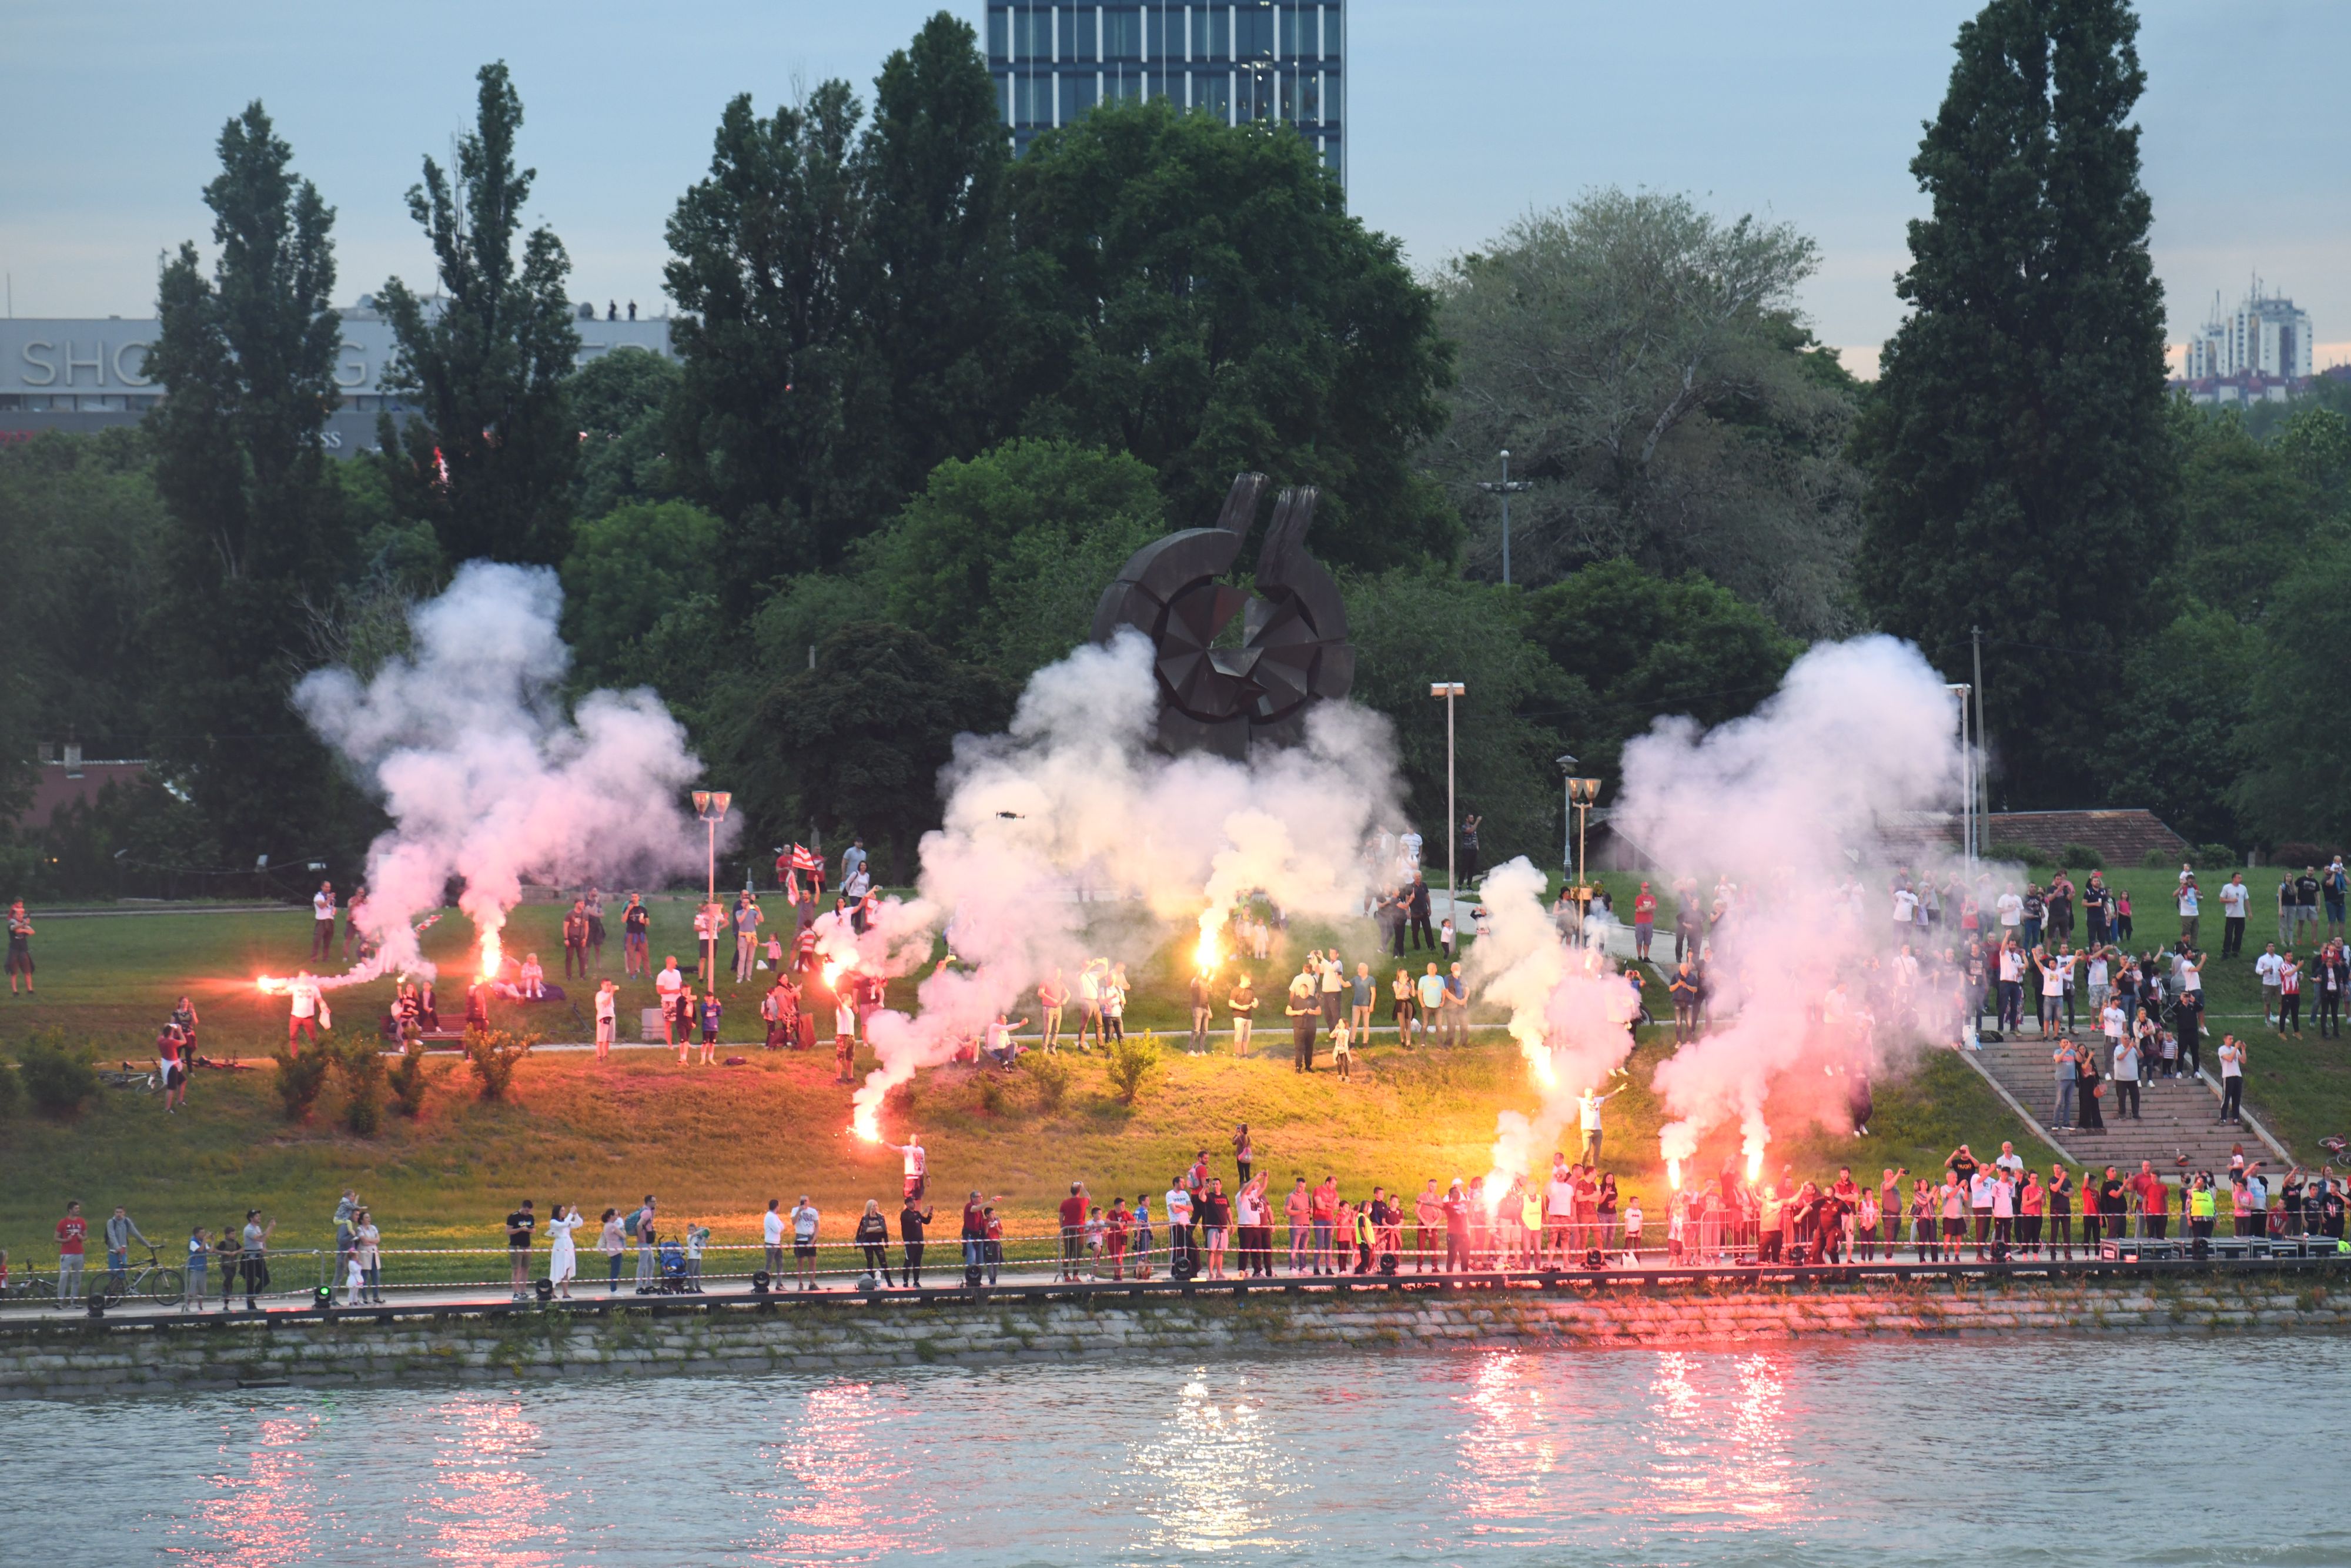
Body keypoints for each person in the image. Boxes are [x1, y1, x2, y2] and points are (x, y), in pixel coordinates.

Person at [240, 1210, 276, 1311]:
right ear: (251, 1218)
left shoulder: (257, 1228)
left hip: (259, 1256)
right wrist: (270, 1227)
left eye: (259, 1215)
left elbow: (263, 1239)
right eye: (256, 1216)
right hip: (251, 1257)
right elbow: (259, 1238)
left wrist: (264, 1247)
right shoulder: (248, 1229)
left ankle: (251, 1298)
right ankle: (250, 1302)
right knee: (251, 1281)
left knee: (266, 1279)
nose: (259, 1217)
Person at [1577, 1085, 1621, 1165]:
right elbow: (1569, 1097)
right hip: (1587, 1131)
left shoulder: (1597, 1100)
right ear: (1586, 1095)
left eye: (1594, 1093)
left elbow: (1608, 1097)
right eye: (1592, 1094)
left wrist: (1618, 1089)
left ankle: (1592, 1169)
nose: (1594, 1095)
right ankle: (1582, 1165)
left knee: (1597, 1152)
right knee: (1586, 1149)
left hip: (1598, 1131)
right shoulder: (1582, 1101)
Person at [1285, 969, 1318, 1072]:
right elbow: (1287, 1011)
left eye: (1306, 992)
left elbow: (1319, 1011)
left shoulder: (1313, 999)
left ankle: (1308, 1066)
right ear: (1300, 991)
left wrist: (1313, 1012)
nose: (1304, 994)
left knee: (1309, 1047)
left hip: (1311, 1028)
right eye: (1302, 992)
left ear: (1308, 991)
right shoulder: (1295, 999)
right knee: (1299, 1047)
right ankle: (1298, 1066)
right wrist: (1298, 1013)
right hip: (1299, 1027)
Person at [854, 1201, 894, 1286]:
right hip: (868, 1243)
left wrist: (872, 1229)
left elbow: (883, 1229)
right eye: (873, 1206)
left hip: (878, 1243)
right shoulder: (865, 1218)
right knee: (870, 1262)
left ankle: (889, 1282)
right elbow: (865, 1230)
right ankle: (871, 1282)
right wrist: (876, 1228)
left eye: (876, 1205)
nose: (875, 1207)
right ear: (869, 1207)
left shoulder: (881, 1217)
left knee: (883, 1262)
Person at [55, 1200, 87, 1306]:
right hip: (67, 1253)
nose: (78, 1210)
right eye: (76, 1208)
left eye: (78, 1208)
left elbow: (86, 1236)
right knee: (64, 1276)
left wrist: (82, 1238)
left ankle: (74, 1300)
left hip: (79, 1253)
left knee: (77, 1278)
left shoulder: (82, 1221)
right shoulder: (63, 1222)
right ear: (70, 1210)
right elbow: (56, 1238)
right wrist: (66, 1240)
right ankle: (60, 1300)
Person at [898, 1196, 935, 1287]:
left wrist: (930, 1214)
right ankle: (905, 1282)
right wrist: (923, 1212)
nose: (914, 1204)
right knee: (908, 1262)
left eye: (914, 1202)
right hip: (910, 1243)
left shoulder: (917, 1213)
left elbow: (926, 1221)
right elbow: (912, 1220)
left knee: (917, 1262)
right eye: (911, 1202)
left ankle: (916, 1281)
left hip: (920, 1242)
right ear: (907, 1204)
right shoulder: (905, 1214)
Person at [546, 1202, 581, 1300]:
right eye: (562, 1211)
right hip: (560, 1246)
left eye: (564, 1211)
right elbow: (564, 1224)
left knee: (567, 1268)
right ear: (557, 1212)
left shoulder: (567, 1221)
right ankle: (552, 1293)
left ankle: (565, 1294)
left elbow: (579, 1224)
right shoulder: (554, 1222)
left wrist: (575, 1214)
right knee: (557, 1267)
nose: (564, 1212)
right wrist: (570, 1214)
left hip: (568, 1246)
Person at [506, 1199, 536, 1302]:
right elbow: (508, 1231)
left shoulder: (530, 1217)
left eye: (529, 1211)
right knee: (516, 1270)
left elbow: (533, 1229)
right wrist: (520, 1229)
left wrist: (531, 1230)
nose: (527, 1213)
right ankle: (515, 1293)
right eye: (526, 1211)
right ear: (523, 1208)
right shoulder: (513, 1217)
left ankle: (523, 1292)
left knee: (525, 1269)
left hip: (526, 1246)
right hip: (516, 1246)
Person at [1058, 1182, 1089, 1282]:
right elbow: (1089, 1197)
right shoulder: (1083, 1201)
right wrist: (1083, 1187)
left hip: (1067, 1229)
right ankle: (1075, 1276)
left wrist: (1062, 1228)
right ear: (1079, 1191)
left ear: (1070, 1191)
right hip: (1079, 1230)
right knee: (1077, 1254)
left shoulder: (1065, 1202)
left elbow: (1061, 1217)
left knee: (1068, 1253)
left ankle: (1066, 1275)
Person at [1166, 1176, 1196, 1276]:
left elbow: (1191, 1208)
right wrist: (1184, 1208)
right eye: (1182, 1182)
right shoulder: (1170, 1194)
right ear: (1176, 1183)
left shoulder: (1185, 1194)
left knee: (1189, 1247)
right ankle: (1174, 1271)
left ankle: (1188, 1270)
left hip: (1186, 1224)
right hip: (1176, 1224)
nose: (1184, 1184)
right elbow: (1174, 1210)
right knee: (1176, 1248)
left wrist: (1180, 1206)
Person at [654, 955, 685, 1049]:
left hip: (678, 1001)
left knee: (683, 1022)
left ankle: (684, 1042)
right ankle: (670, 1045)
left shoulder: (677, 973)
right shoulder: (662, 975)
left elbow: (680, 985)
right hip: (668, 1002)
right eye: (675, 961)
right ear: (669, 963)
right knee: (668, 1023)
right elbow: (659, 990)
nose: (676, 963)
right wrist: (673, 991)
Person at [791, 1195, 821, 1290]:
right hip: (800, 1239)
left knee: (812, 1262)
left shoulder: (813, 1211)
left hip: (810, 1238)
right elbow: (793, 1222)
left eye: (806, 1201)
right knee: (800, 1262)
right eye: (802, 1201)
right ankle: (800, 1283)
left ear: (809, 1202)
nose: (804, 1203)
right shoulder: (795, 1210)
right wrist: (799, 1211)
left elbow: (817, 1226)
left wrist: (814, 1240)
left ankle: (812, 1283)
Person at [733, 892, 764, 983]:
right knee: (742, 958)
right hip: (743, 937)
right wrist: (746, 911)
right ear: (742, 904)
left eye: (748, 903)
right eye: (744, 903)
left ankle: (748, 976)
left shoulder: (753, 913)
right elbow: (740, 921)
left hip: (752, 936)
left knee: (750, 958)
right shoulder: (739, 912)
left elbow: (761, 920)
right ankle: (740, 977)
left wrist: (759, 911)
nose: (746, 904)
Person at [7, 899, 35, 994]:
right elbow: (15, 929)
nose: (20, 916)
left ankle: (30, 989)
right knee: (14, 972)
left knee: (28, 971)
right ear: (14, 915)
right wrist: (24, 925)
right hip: (14, 950)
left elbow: (32, 932)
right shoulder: (12, 922)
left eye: (21, 914)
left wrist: (24, 929)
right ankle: (15, 991)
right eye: (18, 914)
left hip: (24, 950)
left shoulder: (23, 923)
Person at [1038, 969, 1068, 1053]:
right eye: (1056, 972)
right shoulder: (1045, 982)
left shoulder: (1061, 983)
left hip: (1058, 1008)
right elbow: (1040, 993)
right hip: (1048, 1008)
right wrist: (1051, 999)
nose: (1058, 974)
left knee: (1056, 1029)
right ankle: (1045, 1048)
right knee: (1048, 1029)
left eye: (1059, 973)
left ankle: (1053, 1047)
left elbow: (1068, 994)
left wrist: (1065, 1000)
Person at [2217, 1034, 2246, 1124]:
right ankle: (2223, 1118)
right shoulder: (2222, 1049)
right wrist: (2236, 1048)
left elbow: (2243, 1061)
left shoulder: (2235, 1050)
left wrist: (2243, 1049)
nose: (2232, 1040)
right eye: (2230, 1039)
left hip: (2237, 1075)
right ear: (2225, 1039)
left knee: (2237, 1099)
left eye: (2233, 1039)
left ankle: (2236, 1118)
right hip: (2228, 1076)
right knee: (2226, 1098)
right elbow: (2229, 1059)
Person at [622, 894, 650, 979]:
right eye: (632, 897)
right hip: (631, 933)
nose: (633, 898)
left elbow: (648, 923)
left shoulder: (643, 909)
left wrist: (644, 922)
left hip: (641, 934)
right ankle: (632, 974)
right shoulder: (628, 908)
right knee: (630, 955)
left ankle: (648, 974)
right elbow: (623, 920)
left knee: (645, 955)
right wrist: (628, 910)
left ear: (639, 898)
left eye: (635, 897)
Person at [183, 1225, 210, 1313]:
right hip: (195, 1268)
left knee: (202, 1289)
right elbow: (201, 1250)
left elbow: (210, 1250)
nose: (204, 1234)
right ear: (196, 1234)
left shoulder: (203, 1241)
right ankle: (187, 1306)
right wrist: (205, 1240)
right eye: (202, 1233)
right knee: (192, 1289)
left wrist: (213, 1241)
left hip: (203, 1268)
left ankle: (200, 1306)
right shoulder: (193, 1241)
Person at [1187, 969, 1215, 1054]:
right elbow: (1195, 983)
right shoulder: (1196, 981)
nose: (1207, 973)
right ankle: (1190, 1050)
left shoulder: (1205, 984)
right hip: (1198, 1008)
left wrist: (1209, 1010)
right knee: (1196, 1030)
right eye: (1205, 971)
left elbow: (1207, 995)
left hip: (1205, 1008)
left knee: (1205, 1031)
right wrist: (1201, 967)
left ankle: (1201, 1050)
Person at [599, 1208, 626, 1295]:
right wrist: (623, 1229)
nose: (617, 1217)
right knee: (615, 1271)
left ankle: (614, 1289)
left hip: (612, 1249)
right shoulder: (612, 1226)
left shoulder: (607, 1225)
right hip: (616, 1250)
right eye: (615, 1215)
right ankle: (613, 1290)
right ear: (611, 1216)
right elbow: (623, 1236)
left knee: (614, 1270)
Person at [562, 900, 590, 980]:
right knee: (569, 957)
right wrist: (566, 939)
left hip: (581, 937)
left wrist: (585, 938)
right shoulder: (569, 914)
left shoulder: (585, 914)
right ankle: (569, 976)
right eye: (581, 903)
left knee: (582, 957)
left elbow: (586, 926)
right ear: (576, 904)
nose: (583, 905)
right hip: (571, 937)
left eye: (584, 903)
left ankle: (582, 975)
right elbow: (565, 927)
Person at [312, 881, 337, 959]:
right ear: (322, 887)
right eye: (326, 887)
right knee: (317, 940)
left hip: (330, 919)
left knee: (328, 941)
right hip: (321, 920)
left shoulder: (330, 897)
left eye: (329, 887)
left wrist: (334, 910)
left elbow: (332, 907)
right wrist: (329, 899)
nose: (328, 889)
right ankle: (314, 958)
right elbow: (322, 906)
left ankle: (325, 957)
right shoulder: (318, 897)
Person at [594, 979, 617, 1062]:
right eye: (607, 985)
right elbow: (606, 1003)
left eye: (610, 985)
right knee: (601, 1038)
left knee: (607, 1038)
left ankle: (605, 1055)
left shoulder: (609, 995)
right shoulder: (600, 995)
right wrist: (611, 993)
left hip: (611, 1016)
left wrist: (611, 994)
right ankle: (599, 1056)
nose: (609, 987)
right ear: (602, 985)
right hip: (603, 1017)